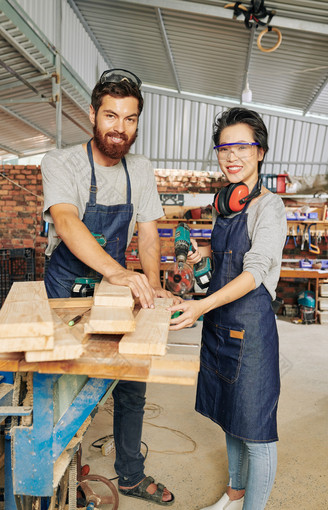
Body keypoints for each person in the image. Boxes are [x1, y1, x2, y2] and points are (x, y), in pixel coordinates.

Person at [41, 68, 178, 506]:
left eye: (130, 118)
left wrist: (152, 289)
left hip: (113, 290)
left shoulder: (140, 169)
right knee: (60, 385)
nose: (120, 128)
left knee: (132, 383)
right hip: (65, 286)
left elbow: (149, 232)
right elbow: (66, 221)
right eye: (111, 116)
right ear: (92, 115)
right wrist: (118, 272)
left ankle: (131, 476)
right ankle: (56, 473)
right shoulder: (61, 162)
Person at [169, 107, 287, 509]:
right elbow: (226, 260)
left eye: (242, 146)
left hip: (250, 331)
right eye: (224, 147)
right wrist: (200, 254)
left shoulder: (268, 207)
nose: (231, 155)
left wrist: (201, 306)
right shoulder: (226, 205)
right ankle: (235, 495)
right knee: (231, 421)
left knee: (256, 431)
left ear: (260, 152)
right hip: (221, 327)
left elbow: (253, 273)